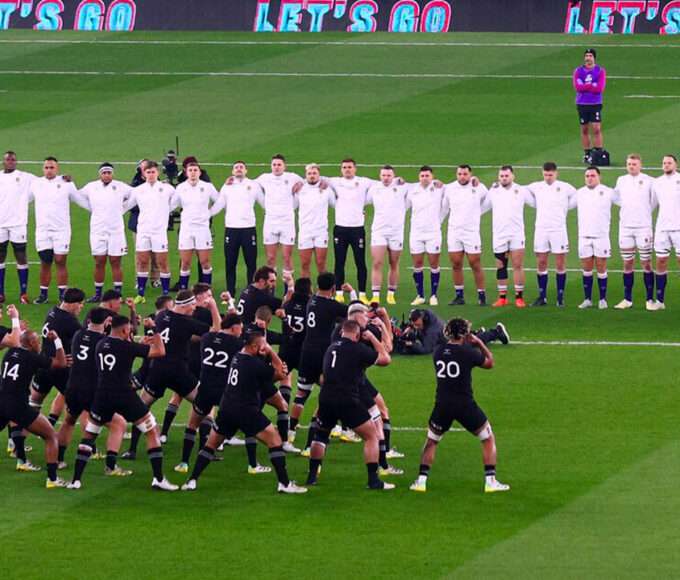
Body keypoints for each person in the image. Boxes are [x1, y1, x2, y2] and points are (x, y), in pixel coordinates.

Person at [181, 330, 307, 494]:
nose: (265, 347)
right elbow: (282, 374)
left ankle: (192, 481)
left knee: (210, 445)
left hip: (227, 408)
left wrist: (266, 356)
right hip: (246, 409)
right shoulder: (254, 364)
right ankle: (284, 484)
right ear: (254, 346)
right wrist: (271, 353)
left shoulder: (237, 357)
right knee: (275, 441)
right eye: (262, 344)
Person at [67, 315, 176, 491]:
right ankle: (158, 478)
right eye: (129, 330)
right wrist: (155, 331)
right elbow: (160, 352)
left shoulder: (100, 344)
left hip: (102, 395)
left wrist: (136, 344)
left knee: (90, 435)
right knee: (151, 430)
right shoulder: (127, 347)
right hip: (125, 395)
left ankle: (76, 481)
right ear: (125, 330)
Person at [409, 318, 510, 494]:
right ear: (465, 333)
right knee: (487, 438)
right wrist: (479, 343)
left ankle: (421, 481)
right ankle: (490, 481)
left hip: (442, 404)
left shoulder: (438, 351)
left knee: (432, 441)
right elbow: (490, 362)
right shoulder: (468, 352)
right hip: (465, 405)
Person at [123, 289, 220, 459]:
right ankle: (205, 450)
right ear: (186, 305)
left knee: (141, 408)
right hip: (178, 371)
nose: (194, 309)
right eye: (192, 306)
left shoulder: (162, 316)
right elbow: (216, 330)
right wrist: (213, 307)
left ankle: (131, 450)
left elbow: (177, 335)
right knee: (206, 406)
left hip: (157, 369)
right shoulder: (187, 322)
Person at [305, 319, 393, 490]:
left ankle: (312, 476)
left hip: (325, 398)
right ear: (358, 334)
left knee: (320, 437)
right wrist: (374, 340)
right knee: (372, 436)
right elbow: (385, 359)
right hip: (346, 400)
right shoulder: (357, 349)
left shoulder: (331, 348)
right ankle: (373, 480)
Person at [57, 307, 131, 477]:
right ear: (107, 322)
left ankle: (59, 460)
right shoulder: (103, 342)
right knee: (118, 424)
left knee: (68, 421)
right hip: (91, 391)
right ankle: (111, 467)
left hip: (72, 388)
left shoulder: (78, 335)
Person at [288, 272, 354, 450]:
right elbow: (354, 313)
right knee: (328, 393)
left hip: (306, 352)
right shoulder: (331, 305)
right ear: (333, 288)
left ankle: (290, 433)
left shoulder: (312, 302)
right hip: (323, 354)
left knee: (301, 394)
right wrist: (353, 293)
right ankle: (314, 441)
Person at [173, 313, 244, 473]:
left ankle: (183, 463)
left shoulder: (206, 338)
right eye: (240, 327)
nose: (241, 331)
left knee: (192, 425)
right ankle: (252, 463)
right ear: (234, 327)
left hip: (204, 390)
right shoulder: (237, 344)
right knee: (243, 422)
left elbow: (214, 333)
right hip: (224, 393)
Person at [0, 326, 67, 488]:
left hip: (2, 402)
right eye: (37, 341)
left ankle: (22, 459)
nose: (40, 345)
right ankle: (52, 479)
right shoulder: (32, 357)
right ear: (30, 343)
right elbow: (61, 363)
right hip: (18, 405)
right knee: (51, 436)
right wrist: (57, 341)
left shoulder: (9, 353)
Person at [76, 162, 134, 302]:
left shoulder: (121, 186)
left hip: (116, 231)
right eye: (104, 172)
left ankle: (117, 294)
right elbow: (77, 196)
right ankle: (97, 293)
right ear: (100, 174)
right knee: (99, 262)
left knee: (115, 262)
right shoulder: (91, 187)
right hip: (98, 230)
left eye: (109, 172)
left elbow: (135, 195)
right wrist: (91, 208)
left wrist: (124, 208)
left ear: (112, 174)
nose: (107, 175)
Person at [28, 157, 79, 304]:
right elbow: (23, 199)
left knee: (60, 261)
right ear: (43, 169)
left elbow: (79, 198)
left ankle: (63, 294)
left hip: (61, 230)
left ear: (57, 169)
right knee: (45, 261)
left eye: (52, 168)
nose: (49, 170)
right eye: (46, 167)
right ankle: (43, 294)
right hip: (42, 230)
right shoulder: (36, 184)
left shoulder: (66, 184)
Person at [30, 288, 86, 421]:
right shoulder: (69, 321)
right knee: (83, 402)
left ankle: (16, 438)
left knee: (34, 402)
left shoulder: (52, 311)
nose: (82, 306)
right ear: (72, 303)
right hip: (60, 368)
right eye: (80, 303)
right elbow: (85, 341)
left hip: (43, 365)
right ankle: (90, 437)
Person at [527, 162, 577, 307]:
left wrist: (564, 209)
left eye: (551, 174)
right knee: (541, 262)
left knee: (560, 263)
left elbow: (577, 196)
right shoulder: (536, 186)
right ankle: (542, 297)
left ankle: (560, 297)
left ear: (556, 173)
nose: (548, 177)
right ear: (542, 173)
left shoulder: (565, 187)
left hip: (558, 229)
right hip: (541, 229)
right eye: (546, 174)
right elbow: (522, 191)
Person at [210, 161, 262, 296]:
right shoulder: (227, 186)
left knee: (251, 262)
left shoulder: (253, 185)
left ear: (246, 170)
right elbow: (219, 205)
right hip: (231, 230)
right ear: (233, 171)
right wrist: (204, 215)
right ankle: (230, 293)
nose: (239, 169)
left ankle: (252, 292)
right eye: (236, 167)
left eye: (241, 167)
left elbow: (265, 203)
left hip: (248, 229)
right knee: (230, 263)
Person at [126, 161, 175, 303]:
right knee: (142, 261)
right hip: (143, 231)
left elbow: (178, 200)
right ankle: (140, 293)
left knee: (162, 262)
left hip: (159, 232)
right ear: (143, 174)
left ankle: (165, 292)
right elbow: (126, 206)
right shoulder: (138, 190)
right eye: (148, 172)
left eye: (153, 172)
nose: (151, 174)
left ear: (158, 173)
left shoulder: (167, 189)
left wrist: (167, 211)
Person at [613, 154, 656, 310]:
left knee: (646, 263)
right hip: (625, 227)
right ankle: (627, 299)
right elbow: (616, 197)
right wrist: (627, 208)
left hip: (643, 227)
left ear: (640, 165)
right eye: (629, 164)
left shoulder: (649, 181)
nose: (631, 166)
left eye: (634, 164)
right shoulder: (621, 180)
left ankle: (650, 299)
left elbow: (654, 201)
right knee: (627, 263)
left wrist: (644, 212)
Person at [255, 154, 303, 292]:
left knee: (287, 257)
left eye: (279, 164)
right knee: (270, 258)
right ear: (271, 166)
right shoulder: (264, 178)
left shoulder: (292, 177)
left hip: (287, 221)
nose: (276, 167)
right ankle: (271, 289)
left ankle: (289, 290)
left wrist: (301, 184)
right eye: (274, 164)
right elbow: (250, 185)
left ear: (284, 166)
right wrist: (232, 180)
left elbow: (307, 183)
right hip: (270, 221)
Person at [442, 165, 489, 306]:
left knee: (475, 263)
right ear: (456, 174)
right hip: (454, 232)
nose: (462, 176)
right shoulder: (449, 188)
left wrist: (476, 214)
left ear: (470, 174)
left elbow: (489, 201)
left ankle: (481, 296)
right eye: (460, 174)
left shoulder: (479, 187)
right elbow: (444, 208)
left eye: (465, 174)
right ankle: (459, 296)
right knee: (456, 263)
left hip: (471, 232)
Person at [328, 159, 373, 304]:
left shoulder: (364, 182)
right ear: (341, 169)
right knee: (339, 261)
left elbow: (382, 183)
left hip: (357, 229)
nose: (347, 169)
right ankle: (339, 292)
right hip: (340, 228)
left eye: (350, 167)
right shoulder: (334, 181)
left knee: (360, 262)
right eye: (344, 167)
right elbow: (315, 179)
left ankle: (362, 293)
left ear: (355, 169)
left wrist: (398, 180)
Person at [485, 166, 530, 308]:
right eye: (502, 176)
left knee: (517, 265)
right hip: (499, 234)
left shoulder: (521, 191)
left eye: (506, 176)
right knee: (500, 266)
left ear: (513, 176)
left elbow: (536, 202)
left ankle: (519, 297)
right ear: (499, 177)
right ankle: (502, 298)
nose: (504, 178)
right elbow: (482, 206)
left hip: (517, 234)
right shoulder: (493, 191)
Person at [171, 161, 219, 290]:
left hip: (202, 229)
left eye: (195, 170)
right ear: (186, 173)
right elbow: (172, 204)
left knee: (205, 262)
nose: (193, 173)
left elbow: (219, 201)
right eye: (190, 170)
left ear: (199, 172)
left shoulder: (207, 187)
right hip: (186, 229)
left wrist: (209, 214)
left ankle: (207, 290)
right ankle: (183, 289)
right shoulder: (181, 188)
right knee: (185, 262)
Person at [575, 167, 617, 309]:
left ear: (599, 176)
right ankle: (587, 299)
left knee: (601, 267)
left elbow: (625, 202)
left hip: (601, 236)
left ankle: (602, 299)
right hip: (584, 236)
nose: (589, 178)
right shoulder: (579, 193)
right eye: (587, 176)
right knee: (586, 268)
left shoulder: (608, 192)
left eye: (592, 175)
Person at [366, 165, 408, 305]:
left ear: (393, 176)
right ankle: (376, 295)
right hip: (379, 231)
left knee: (394, 263)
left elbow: (420, 186)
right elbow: (362, 201)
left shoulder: (403, 187)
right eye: (383, 175)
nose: (386, 178)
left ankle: (391, 294)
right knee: (377, 262)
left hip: (396, 232)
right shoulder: (374, 189)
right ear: (380, 176)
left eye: (389, 175)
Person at [406, 166, 444, 306]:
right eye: (422, 176)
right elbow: (403, 204)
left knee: (434, 263)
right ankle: (420, 295)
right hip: (416, 233)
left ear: (432, 176)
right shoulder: (413, 190)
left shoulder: (439, 189)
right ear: (419, 177)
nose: (424, 178)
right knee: (417, 264)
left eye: (427, 175)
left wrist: (439, 220)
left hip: (433, 233)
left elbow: (449, 199)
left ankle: (434, 295)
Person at [398, 309, 509, 355]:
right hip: (445, 334)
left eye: (417, 324)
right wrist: (410, 326)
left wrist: (411, 345)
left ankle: (497, 331)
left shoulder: (432, 331)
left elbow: (426, 349)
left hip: (451, 340)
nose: (416, 327)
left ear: (423, 320)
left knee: (471, 343)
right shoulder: (424, 314)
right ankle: (476, 332)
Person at [0, 151, 32, 304]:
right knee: (0, 256)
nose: (11, 162)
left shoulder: (24, 176)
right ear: (3, 161)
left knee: (21, 255)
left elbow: (44, 181)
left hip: (18, 224)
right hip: (0, 223)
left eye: (13, 159)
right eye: (8, 159)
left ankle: (23, 293)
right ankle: (0, 293)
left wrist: (62, 179)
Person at [293, 163, 334, 279]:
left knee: (321, 264)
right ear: (306, 175)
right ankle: (307, 293)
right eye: (309, 173)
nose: (312, 176)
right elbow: (291, 206)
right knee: (304, 265)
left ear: (319, 175)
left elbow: (337, 205)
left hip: (321, 232)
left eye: (314, 173)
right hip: (305, 232)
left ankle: (326, 291)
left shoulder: (326, 189)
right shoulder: (300, 189)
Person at [651, 154, 680, 310]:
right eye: (664, 163)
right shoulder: (657, 183)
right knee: (661, 262)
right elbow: (652, 205)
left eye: (669, 163)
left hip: (679, 228)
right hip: (662, 228)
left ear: (675, 165)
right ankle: (660, 301)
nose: (666, 165)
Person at [573, 48, 606, 164]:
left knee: (597, 129)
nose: (588, 58)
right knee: (584, 129)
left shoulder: (600, 71)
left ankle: (598, 152)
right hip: (582, 103)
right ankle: (587, 154)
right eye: (586, 56)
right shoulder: (578, 71)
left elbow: (599, 88)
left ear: (594, 58)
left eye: (590, 56)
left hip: (595, 103)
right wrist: (592, 85)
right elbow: (578, 88)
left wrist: (586, 86)